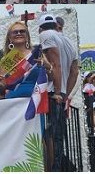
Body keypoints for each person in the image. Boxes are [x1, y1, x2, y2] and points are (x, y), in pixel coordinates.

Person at [38, 14, 79, 171]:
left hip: (51, 93)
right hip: (60, 94)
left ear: (41, 28)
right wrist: (64, 94)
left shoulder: (45, 35)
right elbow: (74, 71)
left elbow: (55, 64)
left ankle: (52, 170)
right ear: (56, 26)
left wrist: (56, 92)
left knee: (48, 136)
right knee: (57, 137)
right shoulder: (67, 41)